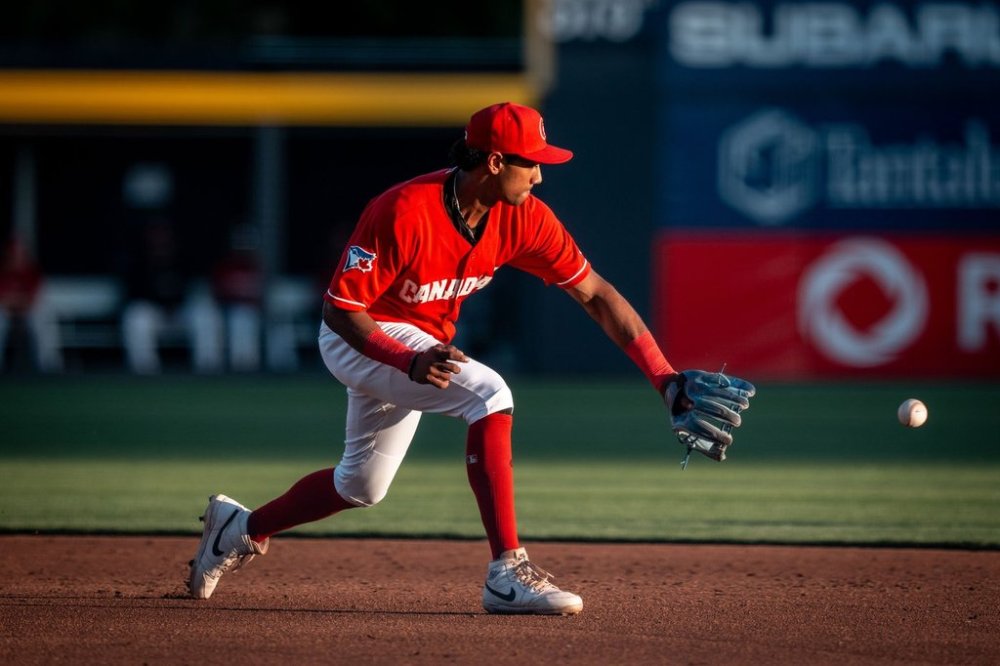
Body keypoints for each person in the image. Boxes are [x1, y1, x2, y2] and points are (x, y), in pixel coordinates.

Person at [188, 102, 755, 614]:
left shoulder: (526, 217)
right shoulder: (403, 210)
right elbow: (340, 310)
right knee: (490, 392)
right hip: (360, 338)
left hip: (420, 349)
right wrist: (401, 359)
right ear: (490, 161)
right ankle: (507, 571)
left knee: (360, 486)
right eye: (529, 162)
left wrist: (664, 379)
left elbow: (597, 295)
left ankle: (240, 528)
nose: (538, 174)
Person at [121, 216, 223, 374]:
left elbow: (194, 288)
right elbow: (133, 295)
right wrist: (161, 305)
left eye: (164, 234)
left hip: (181, 312)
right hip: (154, 313)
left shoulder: (183, 259)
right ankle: (144, 371)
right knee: (137, 317)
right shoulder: (139, 262)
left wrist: (177, 304)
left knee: (205, 313)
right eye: (156, 234)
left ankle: (208, 368)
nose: (160, 238)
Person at [0, 236, 63, 373]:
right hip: (7, 312)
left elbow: (34, 299)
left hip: (29, 311)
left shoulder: (31, 272)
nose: (17, 256)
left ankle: (48, 365)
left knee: (41, 317)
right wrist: (14, 302)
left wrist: (16, 302)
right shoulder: (3, 272)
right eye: (14, 253)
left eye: (20, 252)